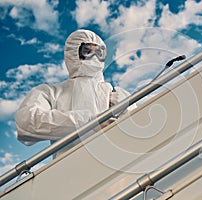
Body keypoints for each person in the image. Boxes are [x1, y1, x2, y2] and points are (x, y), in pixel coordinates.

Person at [14, 29, 136, 158]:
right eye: (88, 51)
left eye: (99, 52)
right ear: (73, 54)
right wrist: (88, 122)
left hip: (117, 163)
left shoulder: (117, 93)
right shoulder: (50, 92)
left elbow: (140, 129)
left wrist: (127, 109)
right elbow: (27, 123)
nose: (94, 57)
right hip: (69, 169)